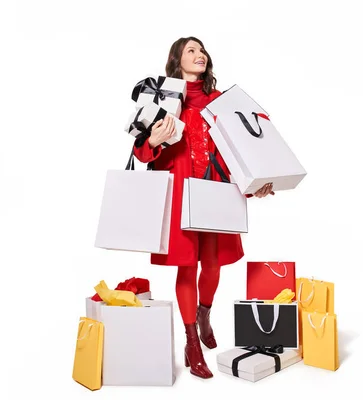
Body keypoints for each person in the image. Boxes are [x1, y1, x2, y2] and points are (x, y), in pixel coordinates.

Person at [132, 36, 274, 379]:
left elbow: (242, 149)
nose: (200, 54)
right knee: (186, 268)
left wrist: (258, 182)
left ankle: (204, 313)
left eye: (202, 50)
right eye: (190, 50)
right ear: (176, 60)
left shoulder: (221, 102)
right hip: (180, 192)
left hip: (216, 191)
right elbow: (141, 151)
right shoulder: (162, 98)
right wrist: (152, 139)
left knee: (212, 266)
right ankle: (191, 341)